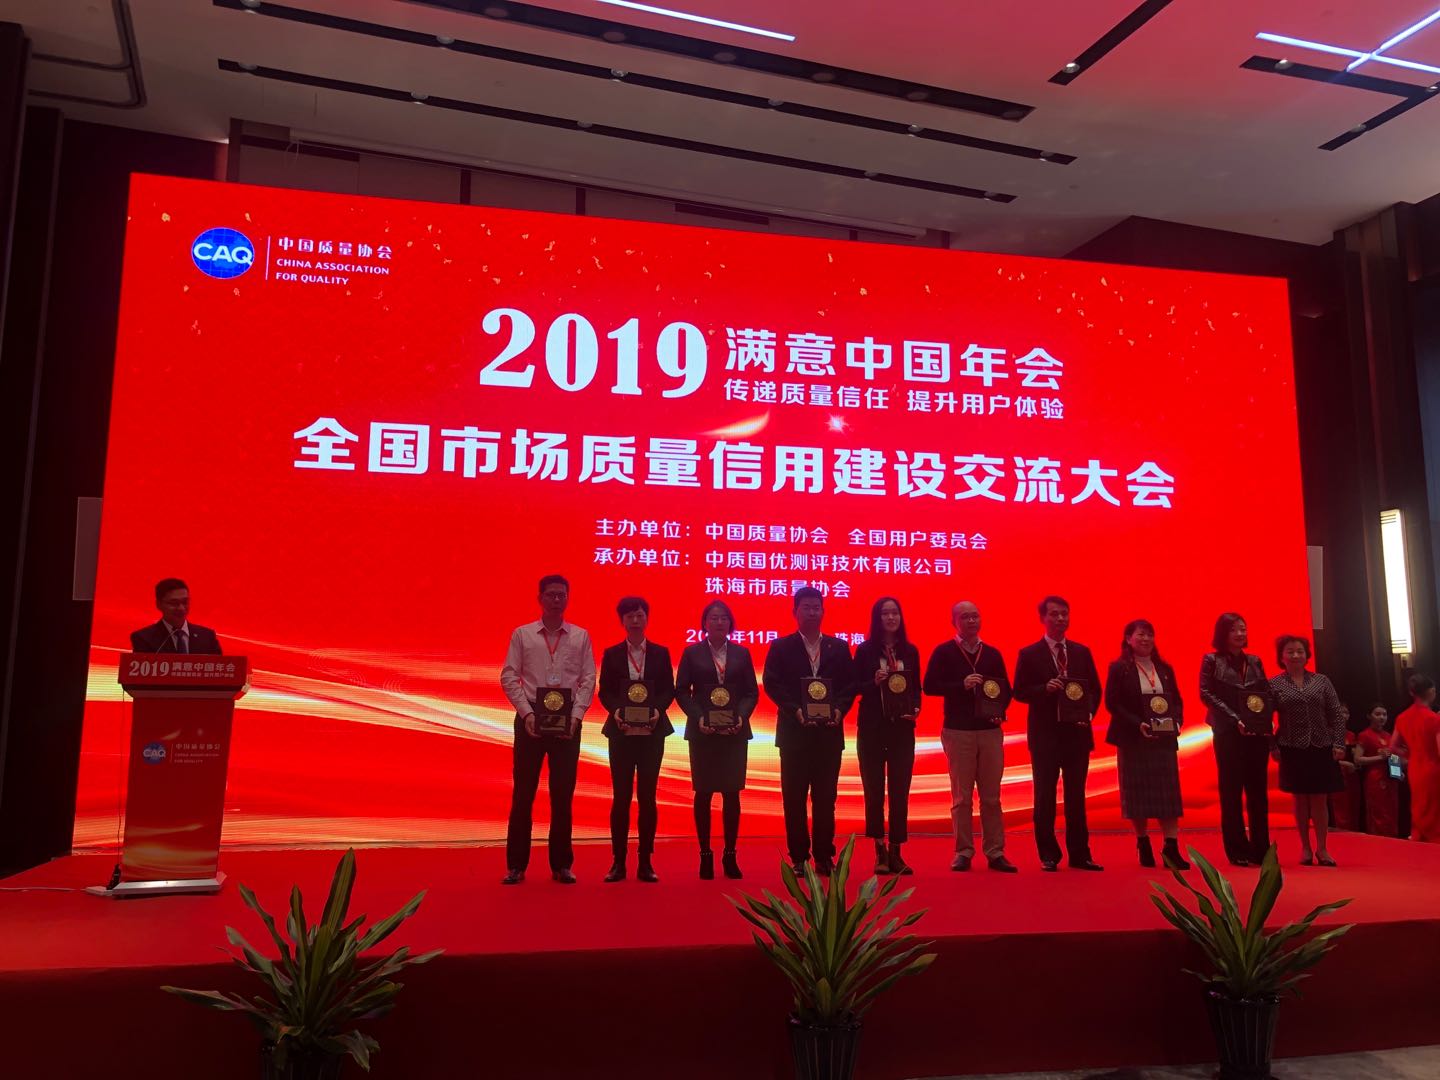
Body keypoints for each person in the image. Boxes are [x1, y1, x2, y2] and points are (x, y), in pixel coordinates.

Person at [498, 574, 596, 885]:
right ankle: (516, 865)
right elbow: (509, 676)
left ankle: (562, 864)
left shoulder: (580, 636)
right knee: (523, 794)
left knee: (563, 795)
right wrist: (526, 714)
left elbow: (588, 679)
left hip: (567, 721)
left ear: (568, 598)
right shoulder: (523, 635)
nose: (556, 600)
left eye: (561, 595)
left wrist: (576, 717)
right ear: (540, 598)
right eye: (551, 594)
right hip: (531, 719)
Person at [762, 587, 856, 875]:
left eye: (817, 607)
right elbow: (772, 684)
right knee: (794, 800)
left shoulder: (838, 647)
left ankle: (824, 857)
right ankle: (799, 858)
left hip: (828, 735)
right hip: (794, 735)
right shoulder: (781, 647)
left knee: (826, 800)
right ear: (795, 612)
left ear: (823, 611)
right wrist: (796, 710)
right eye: (806, 607)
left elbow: (850, 685)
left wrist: (839, 710)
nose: (812, 612)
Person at [922, 600, 1018, 873]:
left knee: (992, 797)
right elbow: (929, 686)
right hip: (958, 731)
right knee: (962, 798)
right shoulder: (943, 652)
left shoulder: (992, 653)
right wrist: (960, 685)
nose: (972, 621)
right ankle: (963, 851)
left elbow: (1005, 690)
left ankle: (995, 851)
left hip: (989, 731)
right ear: (954, 622)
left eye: (975, 616)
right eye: (965, 617)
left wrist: (999, 712)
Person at [1013, 595, 1103, 872]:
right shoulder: (1029, 654)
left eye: (1064, 613)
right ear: (1043, 618)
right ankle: (1048, 854)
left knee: (1076, 796)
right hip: (1046, 736)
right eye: (1054, 614)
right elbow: (1019, 691)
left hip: (1077, 734)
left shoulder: (1081, 652)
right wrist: (1045, 689)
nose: (1060, 619)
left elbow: (1094, 690)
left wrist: (1087, 714)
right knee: (1045, 796)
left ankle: (1080, 854)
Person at [675, 599, 758, 880]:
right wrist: (698, 717)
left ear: (730, 623)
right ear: (704, 623)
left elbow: (751, 692)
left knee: (732, 794)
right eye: (713, 617)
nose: (719, 621)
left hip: (734, 733)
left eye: (724, 617)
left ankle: (730, 854)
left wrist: (741, 717)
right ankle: (705, 854)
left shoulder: (742, 654)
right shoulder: (692, 653)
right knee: (704, 793)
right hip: (703, 733)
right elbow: (682, 690)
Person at [598, 597, 675, 883]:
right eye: (629, 615)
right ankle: (618, 862)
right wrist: (617, 711)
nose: (635, 620)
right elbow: (605, 691)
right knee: (621, 797)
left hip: (652, 732)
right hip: (621, 732)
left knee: (647, 797)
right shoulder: (612, 654)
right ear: (622, 620)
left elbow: (668, 690)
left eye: (640, 615)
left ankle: (645, 862)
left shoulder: (661, 653)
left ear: (647, 618)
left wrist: (657, 711)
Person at [1104, 619, 1189, 870]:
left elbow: (1176, 700)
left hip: (1163, 741)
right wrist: (1137, 724)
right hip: (1133, 739)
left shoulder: (1164, 668)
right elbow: (1112, 703)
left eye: (1150, 635)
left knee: (1168, 796)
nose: (1146, 639)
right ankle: (1143, 842)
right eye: (1140, 634)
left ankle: (1171, 847)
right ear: (1128, 639)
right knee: (1137, 796)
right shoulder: (1120, 668)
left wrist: (1177, 721)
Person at [852, 597, 921, 876]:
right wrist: (873, 682)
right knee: (874, 790)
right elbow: (853, 686)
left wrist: (915, 708)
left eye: (895, 613)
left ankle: (896, 850)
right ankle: (879, 848)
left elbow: (916, 688)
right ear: (877, 619)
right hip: (872, 728)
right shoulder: (865, 651)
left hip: (901, 729)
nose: (891, 618)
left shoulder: (910, 651)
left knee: (900, 790)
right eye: (885, 613)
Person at [1199, 613, 1271, 866]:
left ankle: (1261, 849)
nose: (1240, 634)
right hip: (1227, 732)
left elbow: (1264, 692)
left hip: (1256, 733)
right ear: (1223, 633)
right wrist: (1235, 719)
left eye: (1243, 629)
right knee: (1231, 792)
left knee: (1258, 792)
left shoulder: (1255, 661)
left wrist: (1265, 718)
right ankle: (1237, 849)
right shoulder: (1211, 660)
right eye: (1234, 630)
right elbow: (1206, 694)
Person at [1269, 634, 1346, 866]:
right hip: (1291, 746)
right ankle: (1305, 847)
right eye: (1290, 651)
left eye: (1300, 651)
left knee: (1320, 799)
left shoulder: (1322, 681)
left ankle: (1322, 848)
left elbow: (1336, 714)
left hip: (1321, 745)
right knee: (1300, 799)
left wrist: (1339, 743)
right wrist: (1272, 746)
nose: (1295, 655)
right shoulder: (1274, 684)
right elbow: (1265, 719)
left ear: (1307, 655)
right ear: (1282, 657)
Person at [1392, 674, 1440, 843]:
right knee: (1434, 809)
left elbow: (1393, 747)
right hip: (1433, 769)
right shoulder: (1433, 718)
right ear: (1431, 692)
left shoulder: (1402, 717)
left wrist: (1410, 755)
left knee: (1419, 806)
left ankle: (1420, 840)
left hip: (1415, 768)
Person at [129, 578, 222, 654]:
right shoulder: (144, 638)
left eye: (185, 602)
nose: (181, 608)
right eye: (174, 603)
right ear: (159, 604)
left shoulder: (207, 636)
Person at [1355, 703, 1401, 838]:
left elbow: (1393, 757)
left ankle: (1393, 841)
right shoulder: (1364, 735)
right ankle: (1377, 842)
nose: (1382, 717)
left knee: (1391, 811)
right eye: (1378, 714)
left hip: (1391, 778)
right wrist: (1380, 757)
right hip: (1374, 778)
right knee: (1378, 812)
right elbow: (1358, 759)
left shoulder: (1388, 735)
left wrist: (1399, 773)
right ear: (1369, 716)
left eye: (1384, 714)